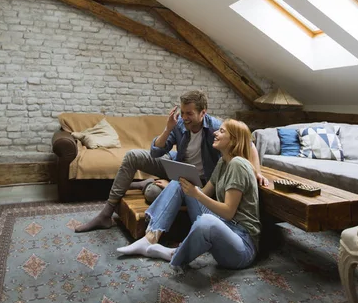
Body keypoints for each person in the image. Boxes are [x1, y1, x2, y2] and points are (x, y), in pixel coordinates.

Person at [75, 90, 267, 233]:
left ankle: (148, 183)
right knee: (133, 155)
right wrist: (168, 129)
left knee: (151, 193)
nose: (184, 118)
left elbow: (249, 145)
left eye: (189, 114)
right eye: (182, 112)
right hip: (177, 168)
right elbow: (156, 151)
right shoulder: (180, 124)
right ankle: (106, 214)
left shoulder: (216, 128)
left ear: (203, 113)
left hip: (200, 182)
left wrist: (257, 171)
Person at [117, 119, 261, 272]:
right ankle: (150, 238)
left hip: (242, 246)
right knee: (180, 182)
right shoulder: (223, 163)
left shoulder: (238, 164)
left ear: (233, 140)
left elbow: (228, 211)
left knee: (207, 220)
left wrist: (196, 194)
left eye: (222, 131)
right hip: (225, 226)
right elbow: (204, 193)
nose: (215, 133)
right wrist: (179, 188)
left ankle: (175, 254)